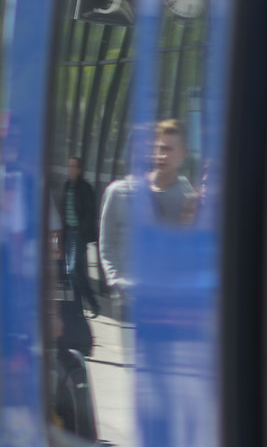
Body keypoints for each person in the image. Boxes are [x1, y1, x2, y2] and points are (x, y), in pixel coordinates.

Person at [97, 120, 195, 320]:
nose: (162, 155)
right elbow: (106, 243)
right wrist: (117, 283)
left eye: (168, 149)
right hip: (130, 302)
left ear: (184, 153)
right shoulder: (120, 192)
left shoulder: (189, 199)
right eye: (159, 148)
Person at [56, 155, 101, 314]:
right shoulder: (66, 186)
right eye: (69, 166)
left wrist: (82, 230)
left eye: (74, 166)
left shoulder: (85, 188)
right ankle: (78, 308)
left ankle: (92, 303)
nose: (71, 169)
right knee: (71, 270)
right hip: (68, 232)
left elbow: (90, 212)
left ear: (79, 169)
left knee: (74, 268)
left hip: (78, 233)